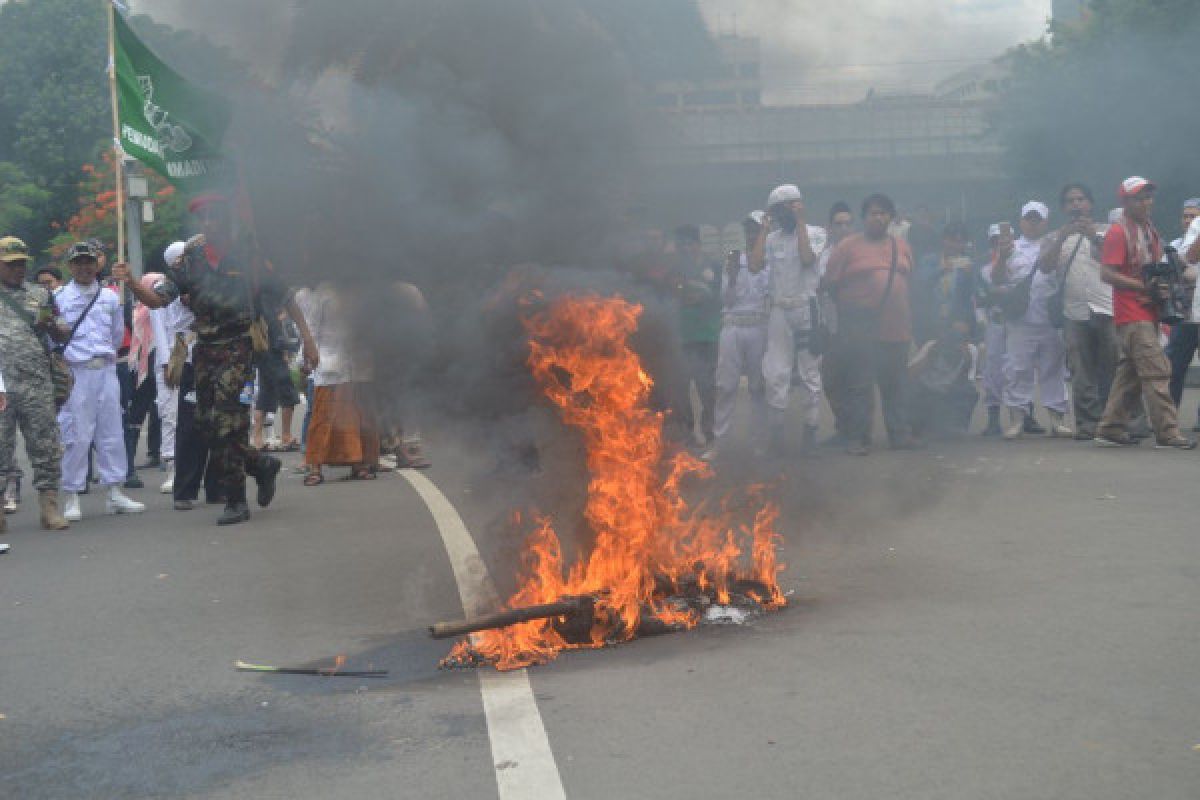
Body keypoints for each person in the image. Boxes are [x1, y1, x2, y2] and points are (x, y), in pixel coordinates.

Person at [116, 193, 319, 525]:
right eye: (205, 218)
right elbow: (156, 300)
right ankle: (260, 465)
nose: (211, 224)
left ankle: (236, 501)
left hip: (239, 346)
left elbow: (285, 296)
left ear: (228, 220)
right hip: (205, 349)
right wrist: (132, 283)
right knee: (206, 425)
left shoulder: (248, 255)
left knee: (229, 422)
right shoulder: (190, 260)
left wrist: (308, 341)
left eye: (216, 217)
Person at [1095, 178, 1195, 449]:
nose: (1147, 202)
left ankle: (1110, 428)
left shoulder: (1149, 230)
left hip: (1147, 311)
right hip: (1132, 312)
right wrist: (1143, 286)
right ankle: (1168, 433)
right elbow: (1107, 273)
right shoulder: (1119, 232)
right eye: (1140, 198)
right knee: (1158, 371)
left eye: (1149, 197)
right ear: (1125, 202)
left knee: (1129, 375)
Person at [820, 193, 917, 455]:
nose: (879, 217)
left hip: (897, 329)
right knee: (860, 386)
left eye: (884, 213)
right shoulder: (847, 247)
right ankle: (858, 439)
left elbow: (909, 282)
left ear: (891, 218)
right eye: (874, 213)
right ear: (864, 218)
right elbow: (829, 284)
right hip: (861, 330)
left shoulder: (901, 247)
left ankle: (899, 435)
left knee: (895, 385)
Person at [55, 242, 145, 520]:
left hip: (105, 370)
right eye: (79, 262)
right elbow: (52, 339)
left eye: (89, 262)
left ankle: (114, 492)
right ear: (70, 266)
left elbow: (117, 336)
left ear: (98, 264)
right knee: (76, 435)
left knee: (112, 433)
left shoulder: (109, 297)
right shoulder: (59, 298)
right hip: (76, 372)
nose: (85, 267)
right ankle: (71, 495)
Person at [0, 236, 69, 529]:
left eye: (21, 264)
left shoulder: (40, 294)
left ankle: (49, 506)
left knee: (45, 444)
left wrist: (54, 326)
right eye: (11, 265)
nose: (18, 270)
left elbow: (62, 331)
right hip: (1, 385)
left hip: (36, 381)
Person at [753, 184, 828, 452]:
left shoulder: (816, 233)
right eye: (774, 212)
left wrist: (799, 222)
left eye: (782, 209)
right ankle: (777, 434)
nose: (778, 216)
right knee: (776, 372)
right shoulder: (771, 239)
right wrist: (763, 230)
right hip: (779, 311)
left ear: (795, 205)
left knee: (809, 372)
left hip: (806, 308)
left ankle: (810, 431)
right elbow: (754, 265)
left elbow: (808, 259)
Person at [987, 202, 1071, 439]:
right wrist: (1002, 257)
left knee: (1054, 370)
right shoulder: (1010, 248)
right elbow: (997, 279)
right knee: (1017, 370)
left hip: (1050, 321)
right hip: (1020, 321)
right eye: (1028, 219)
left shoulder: (1056, 246)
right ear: (1021, 221)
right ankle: (1016, 421)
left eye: (1038, 219)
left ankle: (1057, 420)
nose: (1033, 223)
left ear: (1046, 222)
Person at [1041, 183, 1115, 440]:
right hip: (1073, 312)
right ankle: (1087, 425)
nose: (1076, 205)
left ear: (1090, 204)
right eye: (1070, 201)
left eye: (1081, 199)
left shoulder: (1108, 231)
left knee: (1114, 368)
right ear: (1063, 208)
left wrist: (1094, 236)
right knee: (1081, 371)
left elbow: (1120, 261)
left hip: (1106, 307)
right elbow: (1045, 267)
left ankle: (1115, 421)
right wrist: (1062, 238)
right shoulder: (1053, 237)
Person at [302, 283, 379, 484]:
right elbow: (310, 329)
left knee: (357, 415)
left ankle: (359, 463)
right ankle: (314, 468)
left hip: (358, 364)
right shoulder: (322, 293)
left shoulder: (363, 292)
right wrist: (307, 359)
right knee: (322, 417)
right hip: (329, 362)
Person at [909, 222, 978, 437]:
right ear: (943, 240)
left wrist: (969, 275)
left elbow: (972, 299)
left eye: (960, 240)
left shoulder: (968, 264)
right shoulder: (929, 260)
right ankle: (923, 422)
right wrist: (943, 269)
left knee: (957, 373)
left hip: (955, 327)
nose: (956, 244)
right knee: (926, 372)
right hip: (928, 325)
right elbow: (918, 284)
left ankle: (954, 423)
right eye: (952, 238)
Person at [710, 211, 770, 459]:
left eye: (756, 230)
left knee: (758, 386)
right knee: (725, 385)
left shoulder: (771, 260)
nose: (751, 235)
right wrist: (732, 276)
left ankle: (759, 443)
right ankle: (720, 443)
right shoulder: (733, 259)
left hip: (759, 325)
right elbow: (726, 299)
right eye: (748, 230)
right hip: (733, 325)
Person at [670, 224, 721, 451]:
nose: (686, 249)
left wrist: (704, 298)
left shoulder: (714, 267)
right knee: (681, 390)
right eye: (681, 245)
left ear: (698, 245)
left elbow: (724, 298)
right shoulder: (672, 270)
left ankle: (711, 435)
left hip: (707, 338)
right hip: (681, 339)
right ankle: (688, 436)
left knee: (707, 389)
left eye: (689, 244)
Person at [818, 202, 854, 446]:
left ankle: (856, 432)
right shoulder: (822, 255)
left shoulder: (861, 252)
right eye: (838, 224)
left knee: (856, 381)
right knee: (831, 378)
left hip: (858, 327)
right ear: (829, 227)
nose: (843, 228)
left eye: (847, 223)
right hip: (830, 326)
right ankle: (844, 427)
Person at [1163, 197, 1200, 424]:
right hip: (1183, 317)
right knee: (1174, 366)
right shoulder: (1175, 246)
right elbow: (1186, 265)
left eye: (1193, 216)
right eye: (1186, 216)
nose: (1189, 220)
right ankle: (1167, 419)